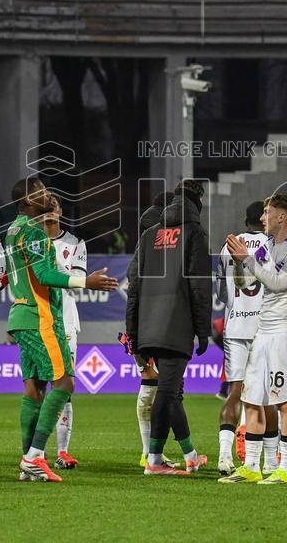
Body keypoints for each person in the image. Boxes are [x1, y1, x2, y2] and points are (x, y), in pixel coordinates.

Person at [4, 176, 117, 483]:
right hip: (40, 318)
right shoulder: (34, 232)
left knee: (35, 389)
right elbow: (44, 274)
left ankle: (28, 463)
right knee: (64, 384)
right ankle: (34, 456)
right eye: (40, 191)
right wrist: (86, 282)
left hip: (20, 317)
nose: (47, 194)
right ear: (28, 200)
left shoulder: (13, 230)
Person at [220, 193, 287, 486]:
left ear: (282, 217)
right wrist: (237, 263)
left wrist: (246, 259)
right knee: (251, 399)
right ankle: (252, 465)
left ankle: (286, 468)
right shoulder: (270, 247)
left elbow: (277, 283)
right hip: (263, 331)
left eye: (267, 212)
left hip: (286, 332)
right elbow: (246, 282)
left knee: (284, 401)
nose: (262, 218)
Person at [125, 180, 211, 477]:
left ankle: (157, 457)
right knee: (169, 392)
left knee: (168, 391)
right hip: (177, 323)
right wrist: (203, 329)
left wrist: (133, 331)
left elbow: (133, 285)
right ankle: (175, 457)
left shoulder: (149, 235)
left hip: (148, 323)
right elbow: (199, 285)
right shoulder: (195, 233)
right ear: (198, 200)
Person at [119, 191, 180, 469]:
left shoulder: (148, 235)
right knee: (162, 388)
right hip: (154, 326)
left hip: (141, 325)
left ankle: (150, 451)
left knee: (151, 385)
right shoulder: (160, 236)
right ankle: (155, 452)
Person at [215, 201, 269, 476]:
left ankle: (224, 456)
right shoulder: (272, 245)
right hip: (263, 327)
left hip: (235, 326)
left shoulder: (228, 246)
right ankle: (259, 460)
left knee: (234, 392)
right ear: (263, 219)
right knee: (263, 395)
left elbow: (222, 293)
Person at [41, 193, 86, 470]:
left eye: (52, 208)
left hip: (65, 322)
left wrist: (49, 266)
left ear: (59, 212)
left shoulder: (75, 244)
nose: (48, 213)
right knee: (37, 387)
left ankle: (62, 451)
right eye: (43, 209)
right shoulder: (29, 241)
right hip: (38, 320)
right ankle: (35, 452)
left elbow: (76, 283)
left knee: (64, 388)